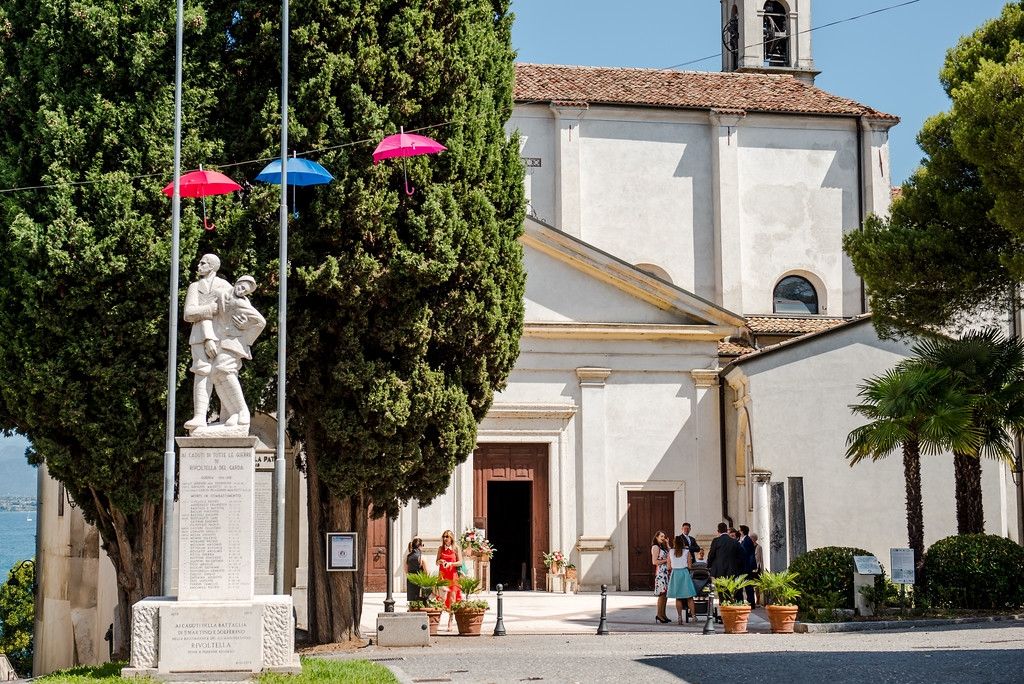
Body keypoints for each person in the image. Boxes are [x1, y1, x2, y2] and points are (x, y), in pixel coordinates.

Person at [183, 254, 231, 430]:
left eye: (203, 263)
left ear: (212, 266)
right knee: (202, 372)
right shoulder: (194, 287)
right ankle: (199, 416)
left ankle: (228, 415)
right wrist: (210, 308)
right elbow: (188, 314)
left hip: (221, 335)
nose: (199, 265)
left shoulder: (224, 286)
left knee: (225, 372)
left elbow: (233, 308)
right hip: (198, 337)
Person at [210, 275, 266, 426]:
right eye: (241, 287)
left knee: (223, 369)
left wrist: (246, 331)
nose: (241, 291)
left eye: (245, 291)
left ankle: (242, 410)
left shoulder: (242, 303)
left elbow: (261, 322)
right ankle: (233, 413)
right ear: (237, 282)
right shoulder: (222, 293)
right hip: (220, 340)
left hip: (234, 342)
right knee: (216, 375)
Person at [706, 522, 747, 601]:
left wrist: (709, 566)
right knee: (733, 591)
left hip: (719, 570)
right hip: (732, 570)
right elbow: (742, 556)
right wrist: (737, 566)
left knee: (722, 592)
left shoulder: (716, 541)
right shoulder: (734, 541)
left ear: (718, 531)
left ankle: (724, 605)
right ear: (726, 530)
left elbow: (711, 555)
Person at [436, 529, 463, 630]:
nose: (445, 538)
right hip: (443, 576)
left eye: (447, 536)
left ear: (451, 538)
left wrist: (451, 563)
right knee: (441, 599)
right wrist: (440, 561)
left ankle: (450, 621)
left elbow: (460, 562)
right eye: (444, 536)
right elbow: (436, 562)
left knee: (452, 599)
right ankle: (437, 620)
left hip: (452, 575)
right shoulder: (440, 548)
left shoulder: (456, 548)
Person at [666, 536, 697, 624]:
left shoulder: (671, 552)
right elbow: (690, 566)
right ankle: (693, 616)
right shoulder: (687, 552)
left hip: (675, 574)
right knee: (689, 597)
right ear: (683, 542)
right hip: (684, 573)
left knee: (678, 597)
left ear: (674, 543)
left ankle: (679, 617)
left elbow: (668, 567)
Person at [651, 530, 671, 624]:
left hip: (666, 572)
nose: (663, 538)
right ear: (657, 537)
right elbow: (654, 562)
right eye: (661, 536)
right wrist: (666, 560)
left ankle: (663, 614)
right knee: (662, 594)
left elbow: (671, 554)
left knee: (665, 594)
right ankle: (659, 615)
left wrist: (667, 544)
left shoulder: (663, 547)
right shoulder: (655, 547)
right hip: (661, 573)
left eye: (664, 536)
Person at [738, 524, 757, 606]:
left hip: (746, 567)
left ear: (742, 531)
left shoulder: (747, 540)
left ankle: (751, 602)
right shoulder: (743, 540)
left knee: (748, 585)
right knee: (746, 585)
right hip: (744, 566)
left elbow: (745, 554)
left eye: (739, 530)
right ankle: (749, 601)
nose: (738, 532)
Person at [406, 537, 429, 603]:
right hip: (420, 580)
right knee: (420, 601)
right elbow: (427, 572)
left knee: (412, 602)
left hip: (410, 580)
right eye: (422, 545)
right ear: (419, 546)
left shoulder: (408, 557)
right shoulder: (422, 557)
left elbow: (406, 570)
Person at [750, 532, 765, 605]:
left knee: (757, 585)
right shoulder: (749, 546)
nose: (750, 539)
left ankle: (758, 599)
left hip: (756, 568)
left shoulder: (759, 547)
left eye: (751, 538)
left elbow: (760, 559)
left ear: (754, 539)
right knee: (750, 584)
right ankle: (751, 599)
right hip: (750, 567)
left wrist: (761, 568)